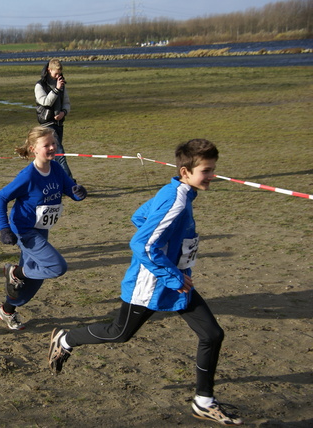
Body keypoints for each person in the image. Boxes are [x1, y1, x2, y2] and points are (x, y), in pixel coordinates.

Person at [47, 139, 243, 426]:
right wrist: (171, 273)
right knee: (119, 333)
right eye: (207, 171)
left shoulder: (182, 192)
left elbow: (139, 216)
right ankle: (65, 339)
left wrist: (171, 255)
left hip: (175, 282)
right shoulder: (175, 199)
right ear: (186, 171)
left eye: (213, 169)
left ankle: (203, 401)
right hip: (151, 284)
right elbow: (142, 244)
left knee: (212, 334)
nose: (212, 176)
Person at [0, 125, 87, 330]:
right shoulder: (28, 176)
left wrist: (78, 192)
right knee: (55, 267)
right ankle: (16, 272)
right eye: (47, 145)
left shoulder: (56, 169)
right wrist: (4, 227)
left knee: (36, 278)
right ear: (33, 148)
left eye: (54, 143)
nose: (52, 147)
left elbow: (69, 189)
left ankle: (7, 310)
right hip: (24, 230)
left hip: (41, 228)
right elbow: (0, 197)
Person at [35, 59, 74, 180]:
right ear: (49, 70)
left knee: (53, 157)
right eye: (55, 74)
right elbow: (45, 102)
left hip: (59, 124)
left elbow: (67, 103)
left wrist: (63, 112)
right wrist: (56, 89)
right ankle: (71, 184)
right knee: (60, 154)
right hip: (47, 124)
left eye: (59, 73)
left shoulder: (62, 84)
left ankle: (54, 181)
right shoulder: (40, 85)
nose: (58, 76)